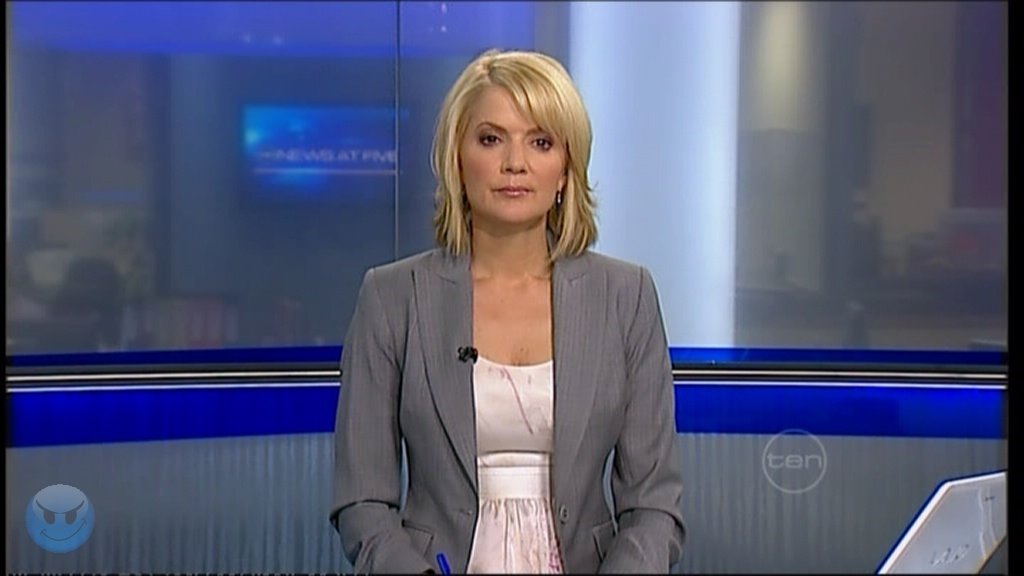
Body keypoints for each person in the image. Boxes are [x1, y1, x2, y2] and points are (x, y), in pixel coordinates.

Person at [330, 48, 685, 574]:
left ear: (565, 170)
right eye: (491, 139)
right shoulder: (393, 297)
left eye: (540, 142)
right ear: (457, 159)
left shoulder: (625, 296)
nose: (515, 163)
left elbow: (652, 506)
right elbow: (362, 503)